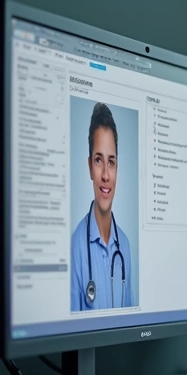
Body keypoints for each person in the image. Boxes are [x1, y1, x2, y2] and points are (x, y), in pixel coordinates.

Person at [71, 102, 134, 311]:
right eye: (99, 160)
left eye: (111, 162)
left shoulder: (125, 245)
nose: (106, 175)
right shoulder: (75, 247)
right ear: (90, 167)